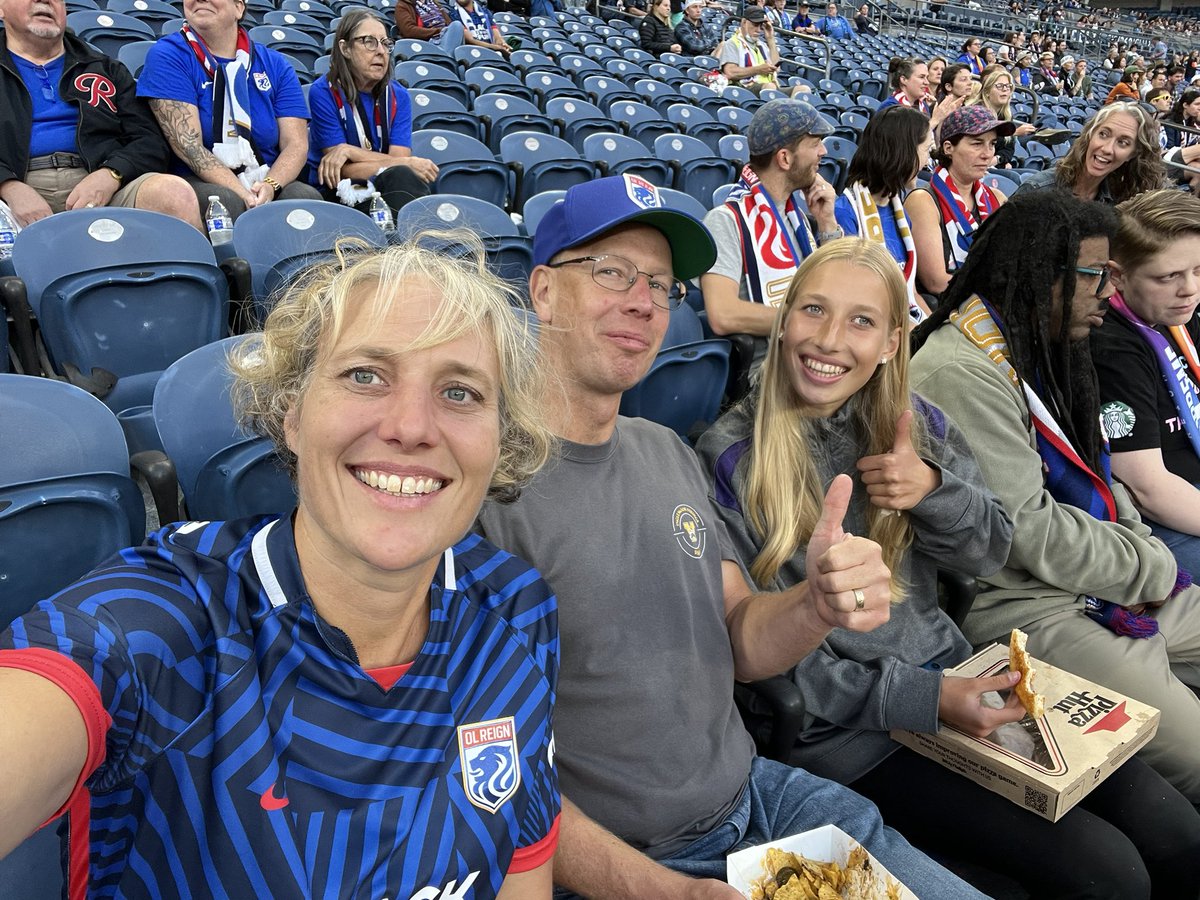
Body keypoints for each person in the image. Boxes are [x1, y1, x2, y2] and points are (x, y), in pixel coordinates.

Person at [476, 175, 988, 900]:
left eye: (660, 285)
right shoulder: (482, 488)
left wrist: (815, 604)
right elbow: (491, 778)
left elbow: (742, 636)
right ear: (543, 290)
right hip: (628, 862)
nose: (642, 302)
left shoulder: (664, 452)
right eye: (611, 272)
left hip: (766, 802)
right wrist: (670, 891)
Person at [0, 238, 561, 896]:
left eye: (460, 392)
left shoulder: (517, 610)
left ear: (500, 439)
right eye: (364, 376)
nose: (412, 426)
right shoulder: (160, 625)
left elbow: (523, 872)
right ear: (292, 414)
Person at [696, 237, 1200, 900]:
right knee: (1108, 875)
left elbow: (987, 551)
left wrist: (935, 491)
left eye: (861, 321)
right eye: (813, 310)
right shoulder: (726, 458)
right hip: (856, 736)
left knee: (1176, 832)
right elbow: (772, 665)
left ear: (890, 341)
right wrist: (929, 700)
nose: (829, 340)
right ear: (784, 319)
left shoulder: (915, 424)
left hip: (963, 677)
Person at [911, 188, 1200, 807]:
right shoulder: (959, 374)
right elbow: (1028, 533)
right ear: (1043, 277)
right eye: (1097, 276)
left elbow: (1104, 481)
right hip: (1028, 610)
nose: (1108, 293)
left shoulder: (1041, 344)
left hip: (1100, 580)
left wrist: (1141, 550)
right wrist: (1151, 564)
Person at [0, 0, 201, 230]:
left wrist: (112, 173)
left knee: (174, 194)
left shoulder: (106, 69)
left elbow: (150, 142)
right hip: (12, 191)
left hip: (101, 184)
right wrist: (8, 185)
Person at [1093, 190, 1200, 575]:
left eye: (1198, 270)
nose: (1189, 289)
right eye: (1168, 276)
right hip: (1159, 520)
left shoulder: (1177, 313)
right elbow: (1148, 489)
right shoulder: (1111, 344)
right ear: (1118, 275)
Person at [138, 0, 320, 220]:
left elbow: (296, 144)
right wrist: (244, 194)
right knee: (227, 202)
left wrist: (270, 185)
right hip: (198, 179)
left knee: (305, 198)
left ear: (239, 8)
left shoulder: (275, 64)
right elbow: (188, 145)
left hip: (264, 175)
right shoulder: (169, 55)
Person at [702, 100, 841, 348]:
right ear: (785, 159)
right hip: (768, 369)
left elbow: (835, 288)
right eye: (815, 143)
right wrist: (810, 321)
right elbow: (723, 314)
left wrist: (826, 222)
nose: (823, 151)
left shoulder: (796, 217)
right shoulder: (726, 220)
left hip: (812, 351)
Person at [306, 11, 437, 217]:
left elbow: (397, 164)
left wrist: (350, 151)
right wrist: (404, 163)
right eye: (369, 42)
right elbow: (340, 171)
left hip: (386, 185)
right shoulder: (324, 91)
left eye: (385, 43)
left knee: (403, 177)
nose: (381, 52)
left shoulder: (398, 96)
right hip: (341, 191)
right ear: (345, 48)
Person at [834, 106, 930, 321]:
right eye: (926, 150)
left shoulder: (899, 212)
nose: (928, 162)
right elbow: (854, 300)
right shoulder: (844, 213)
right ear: (903, 151)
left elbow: (910, 293)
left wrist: (935, 330)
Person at [905, 105, 1012, 297]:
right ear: (948, 148)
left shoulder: (997, 198)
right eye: (977, 144)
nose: (987, 154)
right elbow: (936, 282)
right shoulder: (923, 202)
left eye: (992, 144)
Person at [1019, 104, 1165, 204]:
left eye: (1123, 142)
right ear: (1090, 135)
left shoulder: (1117, 202)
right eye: (1103, 134)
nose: (1107, 149)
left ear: (1132, 154)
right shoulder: (1038, 189)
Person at [968, 68, 1035, 168]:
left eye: (1008, 86)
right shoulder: (976, 112)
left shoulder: (1006, 115)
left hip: (994, 164)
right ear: (987, 91)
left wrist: (999, 159)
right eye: (999, 86)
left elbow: (1009, 149)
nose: (1005, 89)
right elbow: (981, 142)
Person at [718, 6, 779, 93]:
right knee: (770, 87)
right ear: (744, 22)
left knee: (802, 89)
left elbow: (776, 68)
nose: (758, 30)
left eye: (761, 26)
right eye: (755, 25)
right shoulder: (732, 43)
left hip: (768, 86)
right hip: (744, 88)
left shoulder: (762, 45)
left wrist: (770, 39)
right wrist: (758, 69)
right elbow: (730, 72)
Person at [394, 0, 466, 51]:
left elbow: (449, 24)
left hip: (445, 37)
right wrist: (439, 31)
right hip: (427, 42)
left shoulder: (434, 3)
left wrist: (446, 32)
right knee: (457, 25)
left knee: (457, 26)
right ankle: (447, 58)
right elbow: (408, 30)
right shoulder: (402, 5)